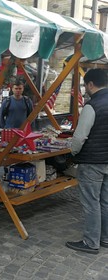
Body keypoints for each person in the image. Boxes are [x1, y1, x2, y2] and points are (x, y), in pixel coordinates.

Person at [66, 68, 108, 254]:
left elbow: (79, 137)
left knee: (91, 202)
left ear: (91, 84)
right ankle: (105, 238)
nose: (85, 89)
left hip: (92, 161)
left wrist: (72, 153)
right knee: (105, 201)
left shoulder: (92, 105)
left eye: (85, 85)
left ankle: (91, 242)